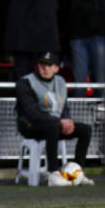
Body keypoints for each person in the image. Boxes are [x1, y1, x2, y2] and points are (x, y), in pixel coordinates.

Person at [16, 52, 94, 186]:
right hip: (31, 126)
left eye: (49, 65)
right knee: (53, 126)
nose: (45, 69)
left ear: (56, 68)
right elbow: (31, 113)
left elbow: (64, 107)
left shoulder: (60, 81)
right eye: (42, 65)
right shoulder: (25, 82)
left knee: (85, 130)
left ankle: (77, 172)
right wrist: (59, 122)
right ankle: (53, 173)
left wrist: (67, 121)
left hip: (56, 124)